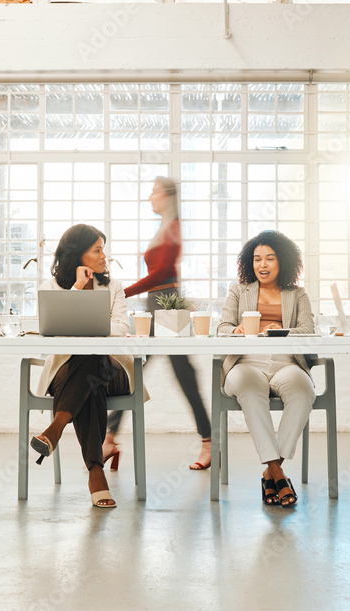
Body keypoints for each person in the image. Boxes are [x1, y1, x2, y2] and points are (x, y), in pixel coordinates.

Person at [103, 176, 214, 471]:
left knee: (181, 375)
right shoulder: (165, 227)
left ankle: (209, 442)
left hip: (166, 305)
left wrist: (121, 292)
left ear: (167, 195)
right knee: (134, 369)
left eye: (154, 192)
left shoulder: (173, 228)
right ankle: (110, 437)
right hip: (155, 305)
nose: (149, 197)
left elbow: (161, 274)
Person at [30, 224, 142, 509]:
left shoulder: (113, 286)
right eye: (97, 250)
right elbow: (55, 333)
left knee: (92, 357)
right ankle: (95, 471)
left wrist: (89, 333)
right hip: (68, 371)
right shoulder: (52, 288)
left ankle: (56, 427)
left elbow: (120, 326)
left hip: (112, 369)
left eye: (102, 248)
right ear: (79, 256)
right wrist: (78, 289)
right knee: (87, 369)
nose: (104, 255)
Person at [217, 230, 316, 507]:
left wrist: (282, 330)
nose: (262, 265)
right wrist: (235, 331)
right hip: (246, 362)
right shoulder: (239, 290)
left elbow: (308, 330)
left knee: (303, 390)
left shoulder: (297, 294)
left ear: (282, 261)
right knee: (250, 391)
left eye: (270, 258)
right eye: (257, 259)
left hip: (286, 362)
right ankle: (279, 475)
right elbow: (221, 329)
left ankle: (271, 471)